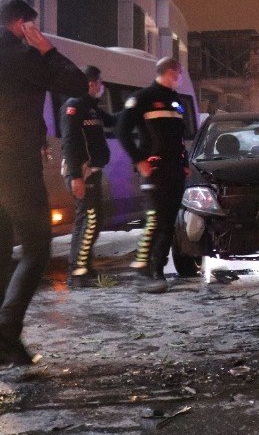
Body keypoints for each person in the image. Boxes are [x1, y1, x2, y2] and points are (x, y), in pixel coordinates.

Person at [0, 0, 88, 365]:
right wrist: (46, 49)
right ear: (22, 25)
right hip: (15, 165)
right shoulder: (25, 57)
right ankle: (6, 331)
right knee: (37, 248)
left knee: (1, 252)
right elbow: (78, 84)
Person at [116, 58, 190, 294]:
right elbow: (121, 130)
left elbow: (178, 138)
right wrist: (139, 160)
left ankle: (157, 271)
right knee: (155, 219)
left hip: (175, 170)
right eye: (179, 73)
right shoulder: (144, 98)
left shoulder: (176, 100)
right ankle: (142, 271)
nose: (180, 78)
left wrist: (184, 163)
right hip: (155, 169)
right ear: (171, 72)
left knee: (168, 223)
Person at [61, 66, 115, 288]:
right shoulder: (74, 106)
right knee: (87, 220)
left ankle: (85, 266)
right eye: (100, 83)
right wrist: (76, 177)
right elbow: (70, 142)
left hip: (92, 172)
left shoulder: (91, 108)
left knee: (94, 220)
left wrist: (133, 108)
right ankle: (77, 272)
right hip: (81, 173)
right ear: (92, 84)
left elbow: (112, 120)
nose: (101, 87)